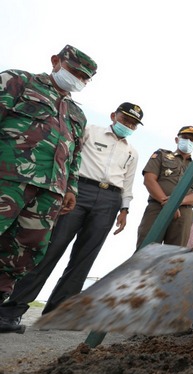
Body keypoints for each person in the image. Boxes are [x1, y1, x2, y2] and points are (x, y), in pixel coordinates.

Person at [0, 102, 142, 332]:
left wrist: (124, 210)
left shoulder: (131, 152)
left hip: (110, 201)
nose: (128, 125)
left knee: (84, 258)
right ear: (113, 115)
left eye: (133, 124)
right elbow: (71, 157)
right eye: (125, 120)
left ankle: (58, 315)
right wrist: (67, 188)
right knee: (50, 249)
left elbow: (128, 183)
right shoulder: (90, 131)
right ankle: (12, 310)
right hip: (79, 191)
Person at [0, 45, 97, 312]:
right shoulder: (18, 81)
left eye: (85, 77)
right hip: (9, 178)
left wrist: (71, 189)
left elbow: (75, 156)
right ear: (56, 61)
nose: (79, 79)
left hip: (50, 191)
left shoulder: (77, 114)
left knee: (26, 249)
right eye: (75, 71)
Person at [136, 126, 193, 248]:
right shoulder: (161, 155)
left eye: (192, 140)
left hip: (183, 214)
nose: (188, 141)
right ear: (177, 139)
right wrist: (167, 204)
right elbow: (149, 180)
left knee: (174, 255)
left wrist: (176, 203)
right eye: (184, 138)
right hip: (157, 207)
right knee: (146, 248)